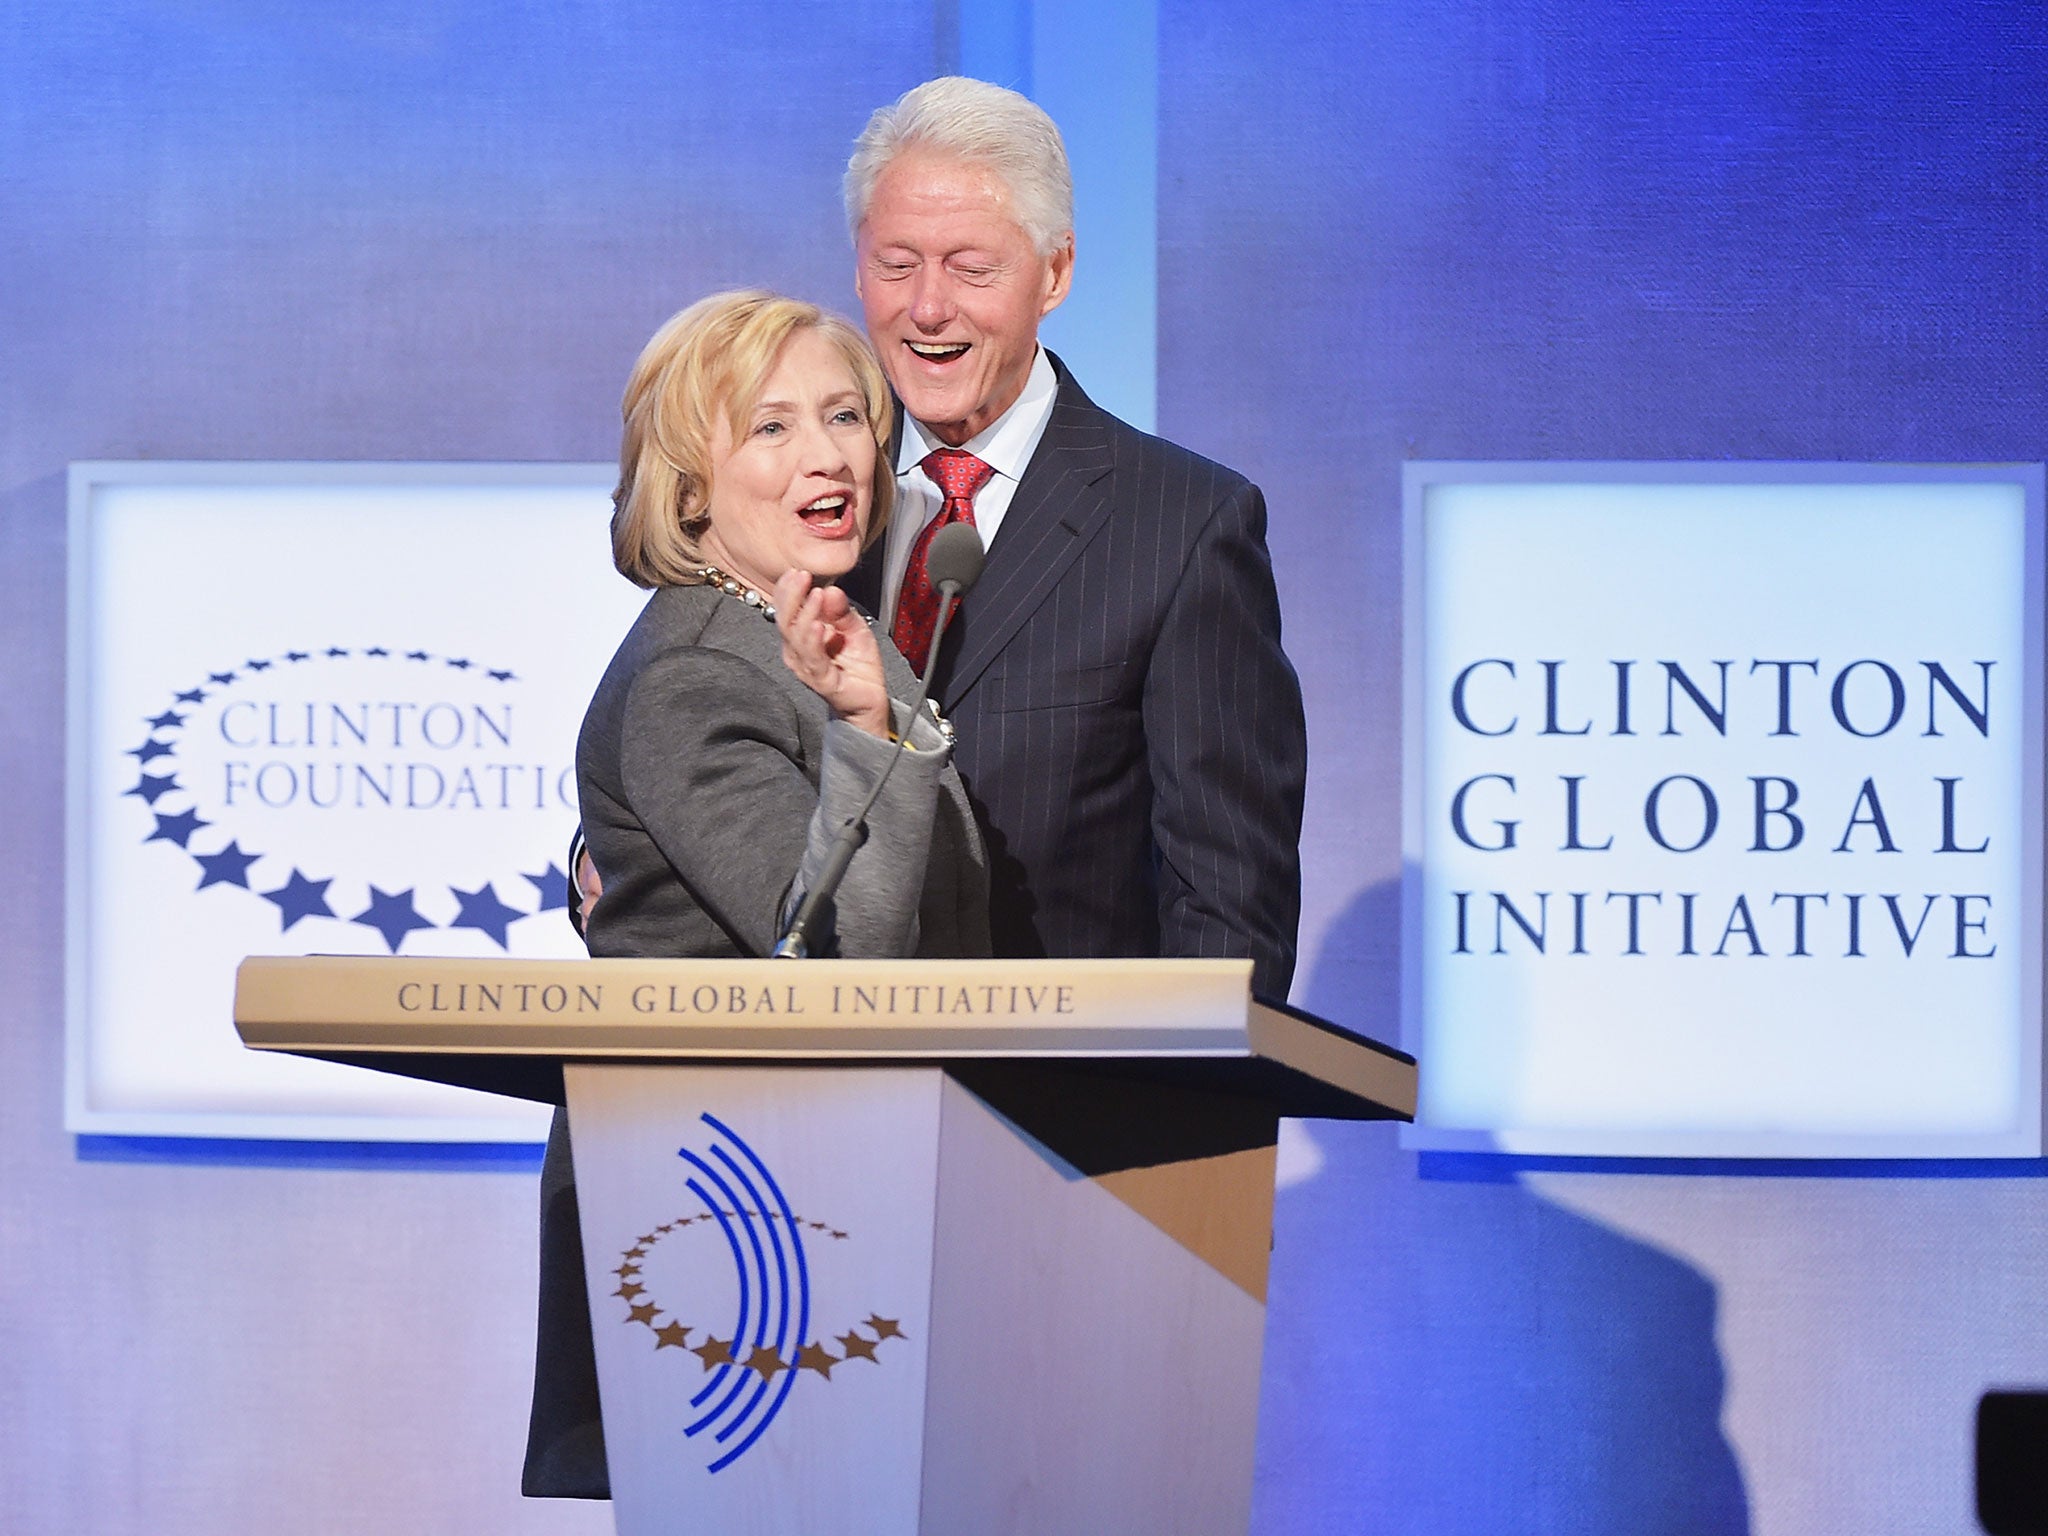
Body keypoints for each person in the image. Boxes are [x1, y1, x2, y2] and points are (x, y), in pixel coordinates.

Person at [523, 289, 989, 1500]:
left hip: (820, 1198)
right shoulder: (697, 671)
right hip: (727, 1218)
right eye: (771, 428)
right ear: (690, 487)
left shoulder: (817, 635)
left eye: (844, 416)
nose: (828, 454)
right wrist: (861, 727)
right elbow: (833, 961)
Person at [840, 77, 1308, 1001]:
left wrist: (1170, 1119)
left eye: (970, 269)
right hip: (791, 1109)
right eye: (896, 264)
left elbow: (1227, 913)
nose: (927, 309)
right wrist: (610, 872)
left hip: (1054, 1112)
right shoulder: (800, 492)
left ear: (1054, 272)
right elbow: (706, 741)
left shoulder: (1182, 526)